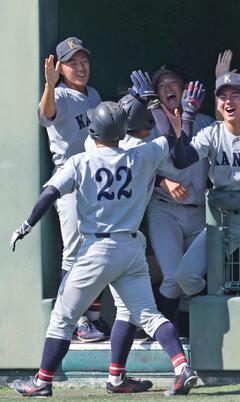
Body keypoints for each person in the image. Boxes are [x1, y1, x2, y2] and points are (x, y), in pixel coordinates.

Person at [10, 100, 198, 397]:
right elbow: (171, 137)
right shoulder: (142, 155)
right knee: (145, 314)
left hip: (97, 248)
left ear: (94, 131)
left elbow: (50, 193)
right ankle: (177, 367)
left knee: (62, 318)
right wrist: (155, 104)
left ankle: (42, 382)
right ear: (122, 131)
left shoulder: (80, 160)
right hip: (132, 248)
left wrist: (28, 224)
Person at [171, 72, 240, 296]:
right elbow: (181, 160)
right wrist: (187, 118)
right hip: (224, 219)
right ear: (218, 105)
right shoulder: (212, 133)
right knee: (185, 276)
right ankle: (219, 306)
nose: (229, 102)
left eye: (235, 96)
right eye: (223, 97)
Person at [38, 36, 107, 342]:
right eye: (72, 63)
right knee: (73, 251)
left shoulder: (93, 94)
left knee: (96, 248)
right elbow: (45, 115)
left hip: (94, 181)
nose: (80, 67)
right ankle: (73, 321)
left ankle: (91, 317)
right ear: (60, 67)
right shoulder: (61, 95)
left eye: (84, 61)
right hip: (69, 181)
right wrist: (50, 85)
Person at [147, 65, 214, 333]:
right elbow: (134, 171)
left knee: (191, 278)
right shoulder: (150, 128)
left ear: (186, 88)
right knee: (173, 277)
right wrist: (164, 181)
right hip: (165, 208)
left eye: (172, 82)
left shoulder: (207, 123)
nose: (167, 88)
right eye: (161, 85)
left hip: (200, 209)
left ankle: (193, 333)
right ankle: (164, 334)